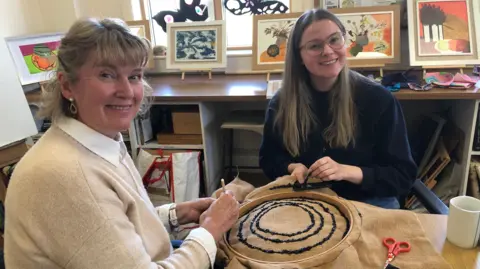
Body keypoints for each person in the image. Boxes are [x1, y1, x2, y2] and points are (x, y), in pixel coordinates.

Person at [4, 18, 239, 269]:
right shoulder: (64, 174)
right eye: (107, 75)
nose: (127, 91)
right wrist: (210, 230)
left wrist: (176, 214)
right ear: (66, 85)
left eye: (135, 76)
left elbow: (111, 227)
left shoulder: (100, 140)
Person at [259, 8, 417, 209]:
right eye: (314, 46)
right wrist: (293, 167)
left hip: (367, 201)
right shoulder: (281, 103)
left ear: (345, 41)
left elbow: (402, 176)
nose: (327, 50)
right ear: (299, 56)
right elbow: (269, 159)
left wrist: (345, 171)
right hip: (308, 199)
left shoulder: (378, 99)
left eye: (334, 40)